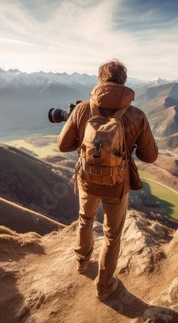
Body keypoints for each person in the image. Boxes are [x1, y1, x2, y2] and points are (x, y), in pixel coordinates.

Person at [57, 59, 158, 300]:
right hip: (117, 184)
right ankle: (104, 287)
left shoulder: (82, 109)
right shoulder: (136, 115)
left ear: (100, 79)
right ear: (124, 82)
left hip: (87, 179)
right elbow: (150, 156)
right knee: (113, 235)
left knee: (85, 220)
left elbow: (63, 146)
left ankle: (82, 262)